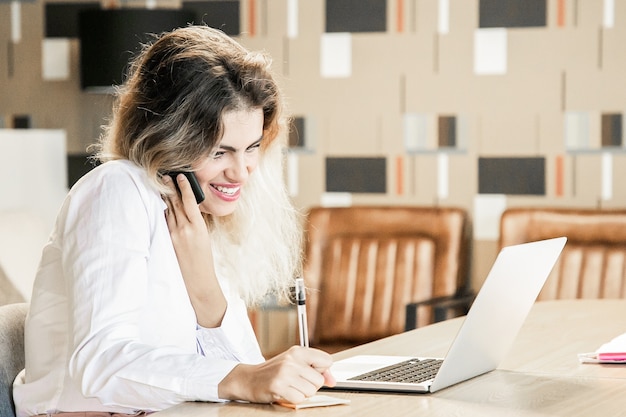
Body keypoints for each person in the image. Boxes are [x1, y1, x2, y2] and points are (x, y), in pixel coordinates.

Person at [13, 25, 335, 416]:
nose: (242, 172)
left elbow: (250, 376)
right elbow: (100, 363)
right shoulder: (116, 190)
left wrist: (203, 284)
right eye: (220, 152)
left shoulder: (193, 218)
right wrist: (244, 379)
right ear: (169, 140)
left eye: (251, 148)